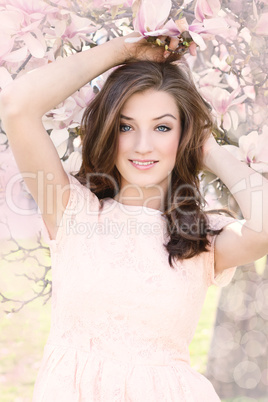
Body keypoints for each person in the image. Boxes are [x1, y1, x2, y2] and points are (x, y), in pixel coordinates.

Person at [0, 32, 267, 402]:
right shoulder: (71, 211)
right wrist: (123, 51)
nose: (143, 145)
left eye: (162, 127)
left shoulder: (202, 240)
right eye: (126, 126)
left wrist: (212, 151)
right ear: (110, 130)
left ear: (183, 135)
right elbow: (17, 104)